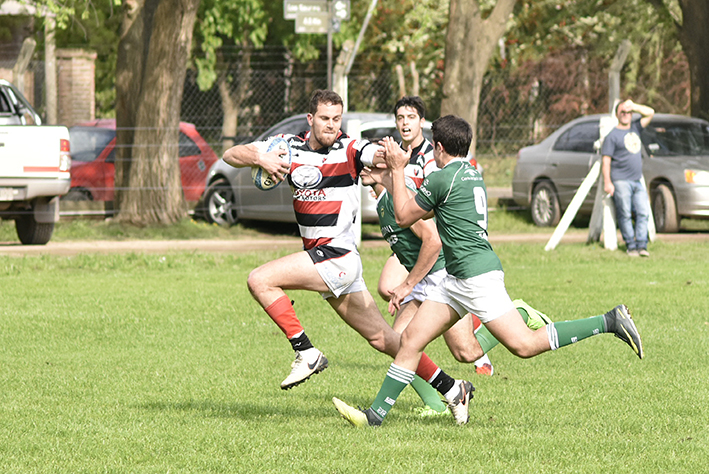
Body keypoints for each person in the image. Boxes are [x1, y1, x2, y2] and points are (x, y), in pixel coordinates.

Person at [333, 115, 644, 428]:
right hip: (455, 278)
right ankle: (375, 416)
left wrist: (398, 170)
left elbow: (403, 216)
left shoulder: (443, 178)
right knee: (412, 340)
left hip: (475, 278)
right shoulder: (470, 173)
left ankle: (608, 321)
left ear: (439, 148)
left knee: (524, 345)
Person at [221, 90, 466, 417]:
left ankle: (305, 352)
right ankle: (452, 388)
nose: (332, 126)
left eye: (337, 119)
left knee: (260, 280)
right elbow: (229, 154)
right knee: (385, 340)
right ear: (310, 119)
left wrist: (392, 158)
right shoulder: (287, 146)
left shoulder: (349, 147)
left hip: (336, 257)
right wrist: (259, 158)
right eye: (325, 119)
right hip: (327, 261)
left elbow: (373, 155)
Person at [601, 99, 655, 257]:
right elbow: (606, 161)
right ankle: (631, 246)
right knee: (624, 213)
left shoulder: (636, 128)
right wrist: (608, 182)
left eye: (628, 112)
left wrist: (635, 106)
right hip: (620, 180)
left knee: (643, 212)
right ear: (617, 115)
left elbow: (651, 112)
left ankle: (642, 245)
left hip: (637, 180)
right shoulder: (612, 136)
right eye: (622, 112)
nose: (626, 115)